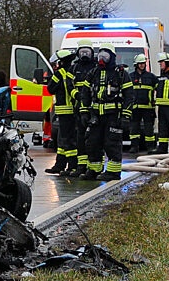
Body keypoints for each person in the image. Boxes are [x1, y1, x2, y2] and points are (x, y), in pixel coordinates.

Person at [80, 44, 129, 181]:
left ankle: (113, 172)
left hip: (113, 116)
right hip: (96, 116)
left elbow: (129, 96)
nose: (102, 59)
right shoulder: (93, 73)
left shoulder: (120, 74)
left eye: (105, 56)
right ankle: (94, 169)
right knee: (92, 143)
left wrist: (126, 116)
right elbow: (85, 93)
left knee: (111, 143)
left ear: (112, 57)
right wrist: (84, 112)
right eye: (100, 56)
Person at [44, 48, 77, 174]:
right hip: (74, 111)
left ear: (61, 62)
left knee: (67, 140)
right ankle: (60, 165)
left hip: (64, 111)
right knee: (64, 140)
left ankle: (72, 166)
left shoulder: (59, 74)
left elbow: (50, 89)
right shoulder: (73, 71)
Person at [66, 44, 97, 177]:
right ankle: (81, 166)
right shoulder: (74, 68)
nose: (85, 55)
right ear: (78, 53)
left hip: (94, 107)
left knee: (94, 138)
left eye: (87, 52)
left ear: (92, 53)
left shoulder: (96, 67)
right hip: (79, 107)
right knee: (80, 138)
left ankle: (93, 166)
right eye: (82, 52)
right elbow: (69, 85)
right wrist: (76, 95)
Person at [126, 54, 158, 153]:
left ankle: (150, 147)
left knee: (149, 129)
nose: (142, 65)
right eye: (140, 63)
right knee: (134, 129)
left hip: (148, 108)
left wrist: (156, 100)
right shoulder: (130, 77)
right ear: (136, 64)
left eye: (143, 63)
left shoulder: (151, 77)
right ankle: (134, 146)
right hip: (134, 107)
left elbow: (159, 89)